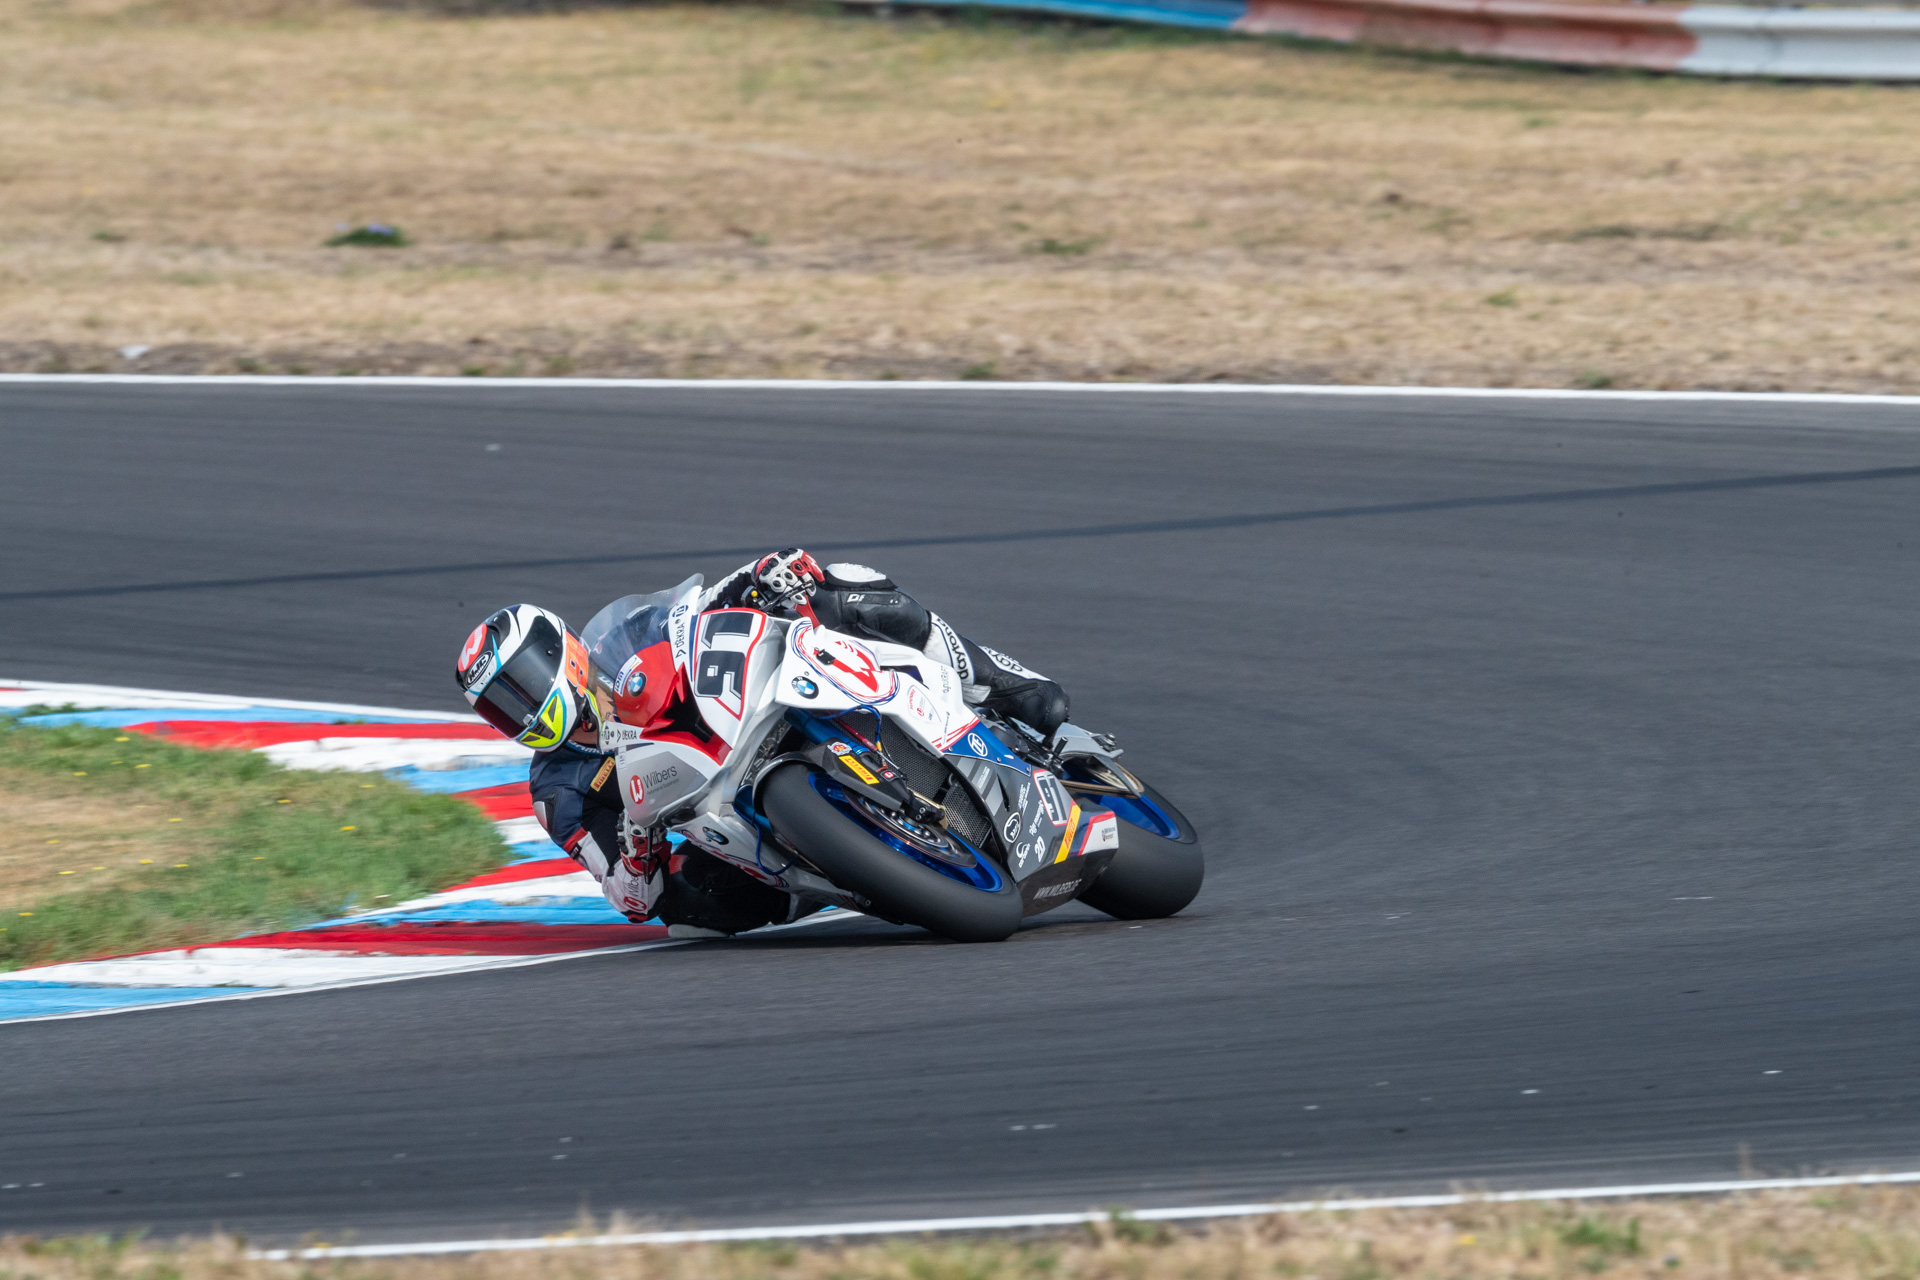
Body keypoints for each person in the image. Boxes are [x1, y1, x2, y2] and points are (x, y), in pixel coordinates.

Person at [454, 549, 1070, 936]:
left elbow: (697, 610)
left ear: (560, 651)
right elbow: (628, 897)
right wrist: (637, 852)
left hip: (749, 709)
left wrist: (759, 575)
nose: (522, 710)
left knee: (846, 586)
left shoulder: (626, 637)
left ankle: (999, 683)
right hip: (718, 816)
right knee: (686, 908)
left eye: (521, 685)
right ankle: (855, 877)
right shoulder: (556, 791)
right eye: (501, 708)